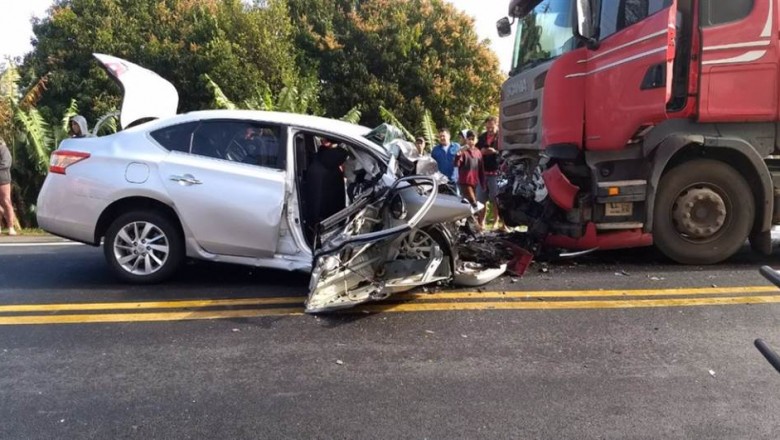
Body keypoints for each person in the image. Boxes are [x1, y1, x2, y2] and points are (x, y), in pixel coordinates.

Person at [304, 137, 350, 232]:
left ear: (324, 142)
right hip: (333, 221)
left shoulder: (317, 164)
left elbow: (315, 200)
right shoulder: (336, 166)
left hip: (318, 221)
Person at [454, 131, 486, 231]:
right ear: (466, 139)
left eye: (473, 139)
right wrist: (458, 154)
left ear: (476, 140)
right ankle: (478, 226)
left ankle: (466, 226)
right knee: (473, 203)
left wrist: (483, 183)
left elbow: (481, 169)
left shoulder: (478, 152)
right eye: (469, 139)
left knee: (467, 205)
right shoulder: (463, 151)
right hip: (464, 182)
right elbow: (456, 164)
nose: (471, 141)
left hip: (474, 182)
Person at [477, 115, 503, 230]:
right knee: (481, 199)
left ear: (497, 125)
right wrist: (481, 151)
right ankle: (481, 222)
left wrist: (495, 152)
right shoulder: (482, 137)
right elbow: (476, 151)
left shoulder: (501, 137)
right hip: (483, 172)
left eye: (491, 127)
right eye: (487, 127)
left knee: (495, 199)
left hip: (496, 172)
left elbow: (506, 153)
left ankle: (496, 222)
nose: (489, 130)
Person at [0, 138, 18, 236]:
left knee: (6, 201)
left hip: (2, 179)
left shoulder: (3, 149)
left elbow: (6, 163)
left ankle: (11, 227)